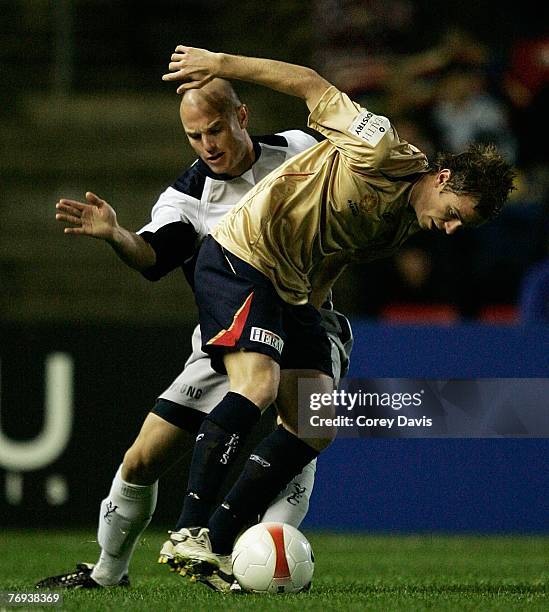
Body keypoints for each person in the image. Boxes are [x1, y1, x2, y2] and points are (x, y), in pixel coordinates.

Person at [159, 46, 516, 584]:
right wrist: (219, 64)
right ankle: (189, 532)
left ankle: (221, 543)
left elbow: (336, 251)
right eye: (453, 216)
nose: (450, 229)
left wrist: (310, 308)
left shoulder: (403, 225)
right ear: (442, 180)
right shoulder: (377, 144)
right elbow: (308, 82)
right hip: (243, 253)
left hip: (292, 286)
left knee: (314, 421)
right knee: (257, 385)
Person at [35, 78, 353, 593]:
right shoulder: (189, 198)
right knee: (142, 458)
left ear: (241, 117)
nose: (208, 145)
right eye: (194, 136)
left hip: (304, 322)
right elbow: (154, 255)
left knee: (300, 432)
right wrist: (119, 236)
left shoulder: (299, 150)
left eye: (215, 129)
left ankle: (253, 565)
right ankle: (107, 573)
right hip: (229, 339)